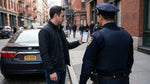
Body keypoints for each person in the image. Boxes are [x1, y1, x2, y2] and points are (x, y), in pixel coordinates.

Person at [79, 3, 134, 84]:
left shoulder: (97, 36)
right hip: (123, 80)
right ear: (114, 17)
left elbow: (88, 63)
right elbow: (130, 60)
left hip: (104, 80)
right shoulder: (126, 34)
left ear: (100, 17)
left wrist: (82, 82)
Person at [38, 6, 83, 84]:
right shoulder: (45, 31)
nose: (64, 18)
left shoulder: (59, 30)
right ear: (56, 15)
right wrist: (51, 71)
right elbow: (44, 54)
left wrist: (78, 42)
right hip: (54, 71)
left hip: (62, 69)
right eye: (62, 16)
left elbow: (67, 45)